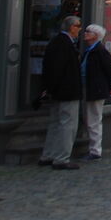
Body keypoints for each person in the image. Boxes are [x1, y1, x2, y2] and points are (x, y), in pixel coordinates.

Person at [39, 16, 83, 170]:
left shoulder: (56, 42)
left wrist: (50, 88)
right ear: (72, 28)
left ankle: (49, 155)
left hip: (58, 91)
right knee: (67, 124)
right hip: (67, 91)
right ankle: (61, 158)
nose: (80, 29)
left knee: (56, 123)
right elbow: (59, 69)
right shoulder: (65, 44)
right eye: (78, 26)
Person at [80, 24, 111, 161]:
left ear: (95, 35)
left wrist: (104, 88)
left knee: (94, 119)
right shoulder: (90, 51)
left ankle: (95, 150)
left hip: (96, 90)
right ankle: (93, 148)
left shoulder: (100, 51)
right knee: (90, 119)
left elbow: (110, 73)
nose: (85, 33)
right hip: (88, 88)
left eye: (88, 32)